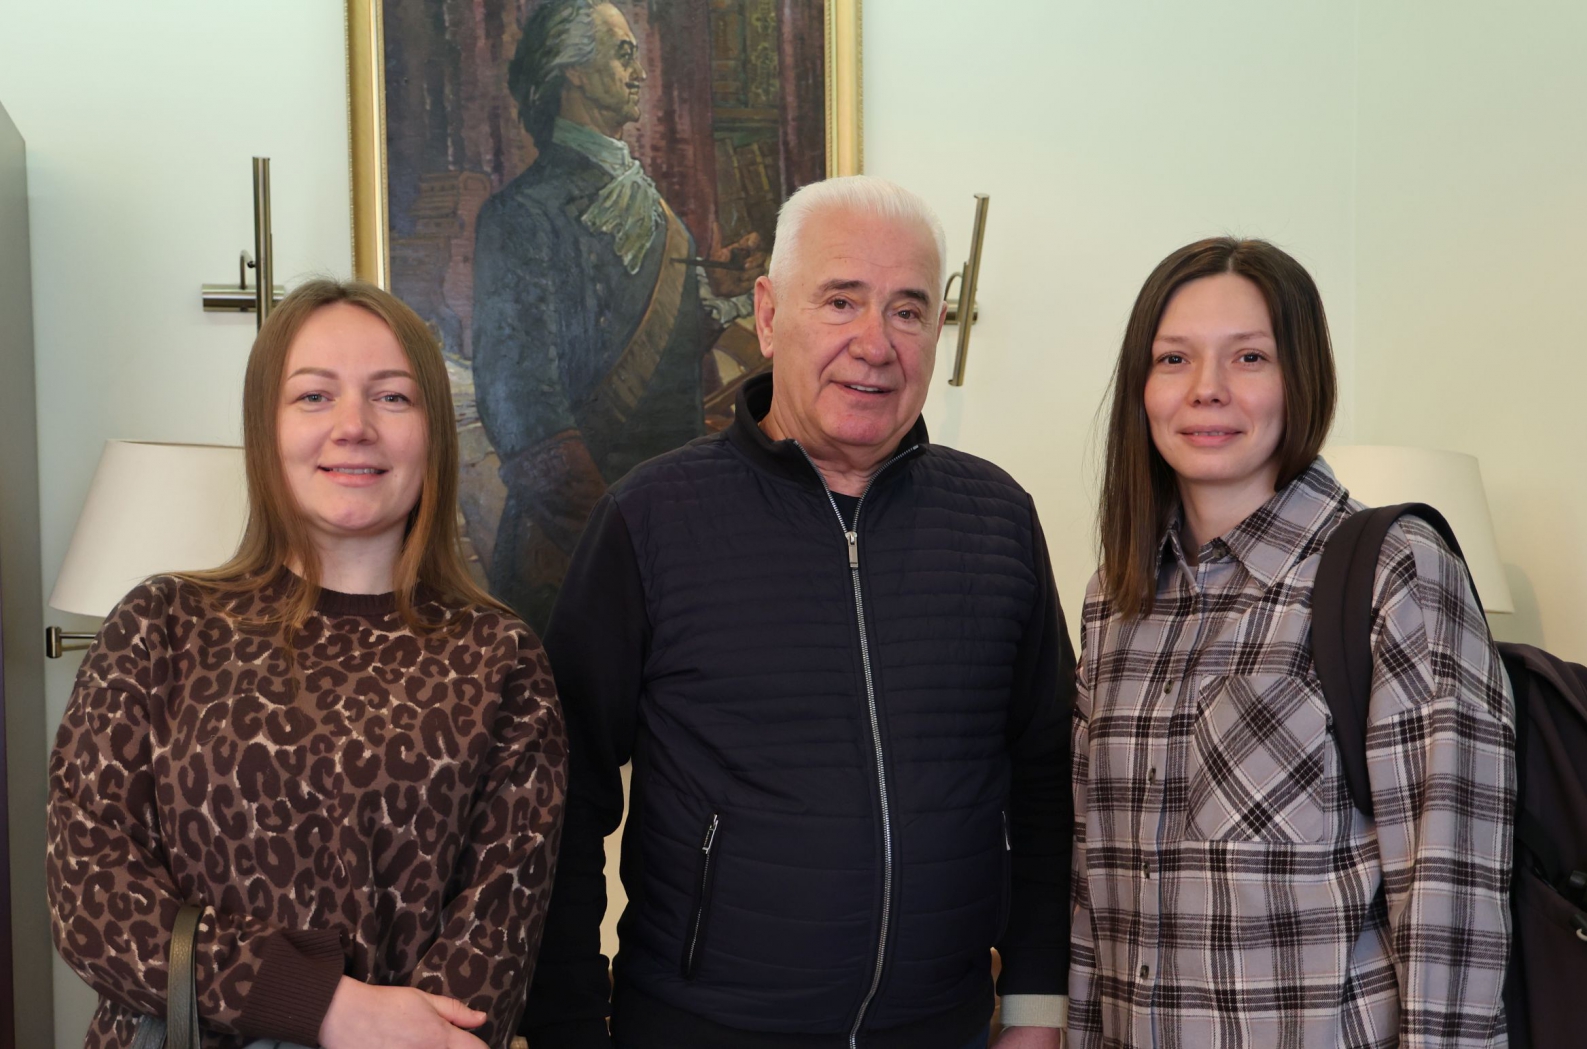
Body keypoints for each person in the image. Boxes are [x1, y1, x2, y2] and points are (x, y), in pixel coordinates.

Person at [520, 175, 1072, 1049]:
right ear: (769, 315)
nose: (874, 344)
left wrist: (1038, 1002)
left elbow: (1045, 776)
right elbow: (562, 793)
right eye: (841, 300)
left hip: (946, 1029)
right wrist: (569, 1026)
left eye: (907, 309)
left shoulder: (997, 519)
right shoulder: (649, 518)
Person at [46, 280, 568, 1049]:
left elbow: (492, 943)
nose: (353, 426)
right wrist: (326, 1006)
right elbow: (90, 898)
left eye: (392, 397)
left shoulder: (502, 660)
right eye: (314, 396)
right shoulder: (159, 626)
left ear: (434, 432)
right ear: (266, 427)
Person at [1067, 238, 1515, 1048]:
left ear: (1301, 378)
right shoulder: (1116, 599)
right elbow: (1089, 884)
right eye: (1174, 358)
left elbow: (1451, 900)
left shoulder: (1395, 571)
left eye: (1249, 357)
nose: (1207, 388)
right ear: (1142, 386)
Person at [471, 0, 766, 632]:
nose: (639, 72)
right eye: (622, 54)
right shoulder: (521, 214)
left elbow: (659, 354)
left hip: (675, 533)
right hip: (576, 558)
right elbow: (521, 403)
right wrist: (612, 542)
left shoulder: (651, 205)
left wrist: (719, 294)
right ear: (574, 72)